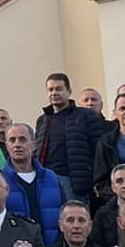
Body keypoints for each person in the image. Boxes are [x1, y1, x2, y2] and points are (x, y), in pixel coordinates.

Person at [32, 72, 101, 201]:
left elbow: (98, 150)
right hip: (46, 181)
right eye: (50, 89)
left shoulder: (85, 116)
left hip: (74, 182)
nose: (54, 93)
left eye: (59, 89)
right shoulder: (42, 120)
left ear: (69, 91)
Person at [0, 122, 64, 243]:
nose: (17, 144)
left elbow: (64, 215)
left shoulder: (51, 177)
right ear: (7, 146)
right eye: (12, 140)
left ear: (33, 145)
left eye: (22, 139)